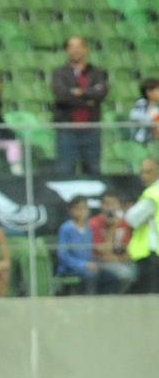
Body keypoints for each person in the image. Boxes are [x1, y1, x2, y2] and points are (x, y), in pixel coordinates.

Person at [51, 36, 107, 177]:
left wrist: (79, 92)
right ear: (67, 50)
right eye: (72, 47)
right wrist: (88, 99)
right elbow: (62, 96)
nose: (76, 50)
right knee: (65, 171)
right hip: (67, 130)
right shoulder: (59, 73)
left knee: (93, 170)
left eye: (79, 46)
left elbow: (101, 94)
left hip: (91, 129)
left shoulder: (97, 73)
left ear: (86, 49)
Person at [88, 192, 138, 294]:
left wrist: (120, 258)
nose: (110, 207)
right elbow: (102, 251)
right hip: (99, 260)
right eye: (106, 204)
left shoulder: (124, 223)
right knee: (125, 274)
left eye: (113, 204)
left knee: (139, 271)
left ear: (119, 205)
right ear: (101, 206)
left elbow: (129, 249)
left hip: (119, 260)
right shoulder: (93, 223)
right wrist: (112, 228)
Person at [126, 157, 159, 293]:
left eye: (148, 172)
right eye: (142, 172)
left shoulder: (153, 193)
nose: (143, 176)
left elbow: (131, 218)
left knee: (149, 297)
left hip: (152, 253)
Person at [129, 79, 159, 145]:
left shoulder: (155, 107)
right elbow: (134, 116)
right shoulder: (141, 104)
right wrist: (153, 121)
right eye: (157, 90)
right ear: (149, 92)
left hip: (152, 141)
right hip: (140, 143)